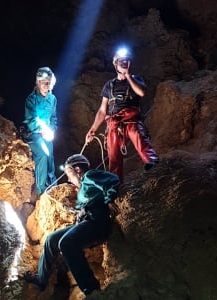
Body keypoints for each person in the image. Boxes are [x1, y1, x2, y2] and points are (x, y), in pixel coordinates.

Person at [24, 154, 120, 296]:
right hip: (86, 222)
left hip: (98, 223)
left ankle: (90, 288)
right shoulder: (83, 186)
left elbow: (113, 180)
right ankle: (42, 279)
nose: (68, 179)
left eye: (69, 173)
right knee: (51, 239)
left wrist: (109, 198)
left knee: (66, 243)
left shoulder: (90, 175)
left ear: (77, 169)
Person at [85, 47, 159, 182]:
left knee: (137, 134)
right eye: (121, 61)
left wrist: (128, 76)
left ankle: (153, 163)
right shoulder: (109, 85)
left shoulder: (136, 79)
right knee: (113, 155)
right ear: (115, 64)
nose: (124, 63)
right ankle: (115, 183)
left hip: (131, 119)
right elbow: (102, 110)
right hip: (114, 122)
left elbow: (141, 93)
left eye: (127, 60)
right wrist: (93, 129)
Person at [23, 67, 58, 196]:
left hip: (47, 134)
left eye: (48, 82)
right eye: (44, 82)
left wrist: (52, 129)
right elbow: (31, 120)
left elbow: (53, 118)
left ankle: (52, 187)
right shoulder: (31, 99)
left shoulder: (52, 99)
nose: (46, 85)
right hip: (33, 135)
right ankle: (41, 192)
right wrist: (42, 130)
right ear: (38, 83)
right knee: (43, 155)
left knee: (50, 157)